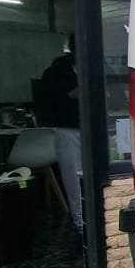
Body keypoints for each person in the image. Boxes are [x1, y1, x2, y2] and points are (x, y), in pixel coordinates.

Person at [39, 37, 84, 232]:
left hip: (94, 128)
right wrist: (73, 94)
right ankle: (81, 223)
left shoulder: (98, 64)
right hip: (68, 128)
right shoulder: (57, 71)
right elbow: (50, 101)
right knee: (74, 178)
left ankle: (97, 220)